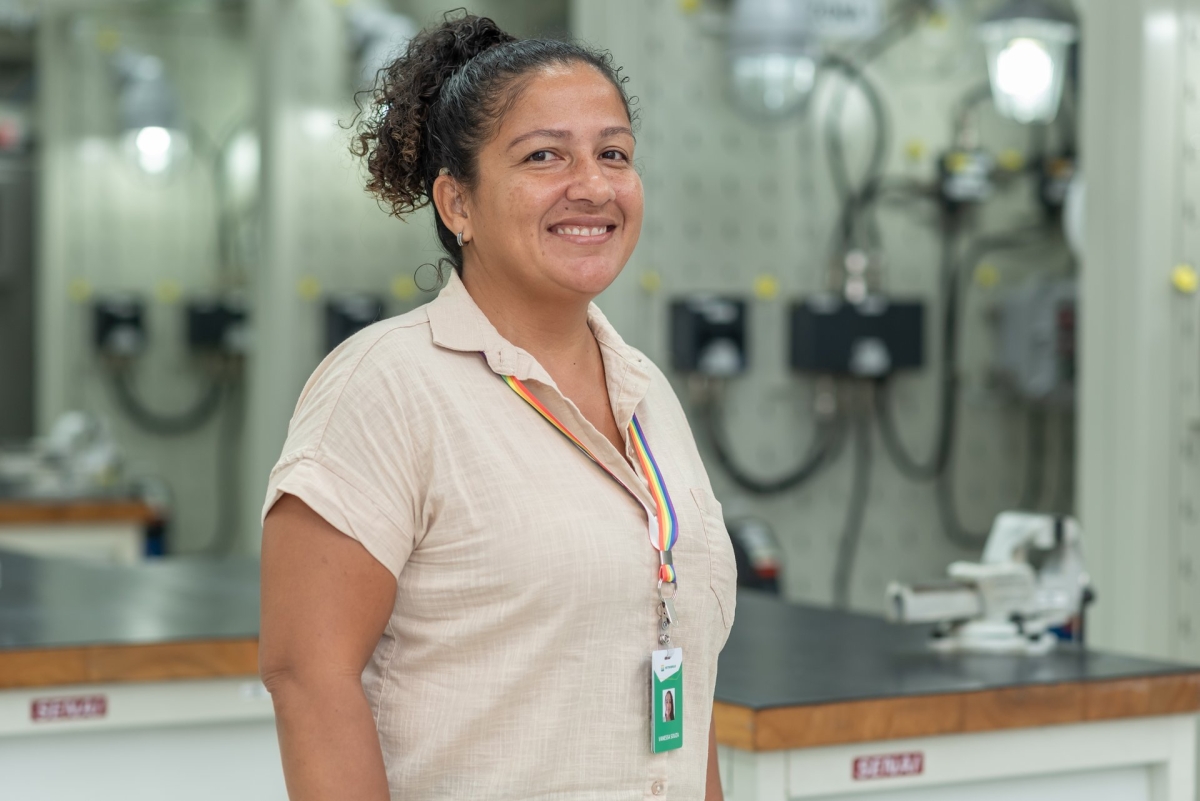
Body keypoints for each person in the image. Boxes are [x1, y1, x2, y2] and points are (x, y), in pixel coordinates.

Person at [258, 12, 736, 801]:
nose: (593, 185)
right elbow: (308, 674)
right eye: (544, 155)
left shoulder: (648, 391)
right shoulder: (385, 385)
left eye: (613, 153)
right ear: (457, 203)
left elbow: (685, 678)